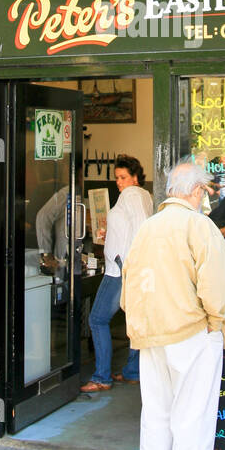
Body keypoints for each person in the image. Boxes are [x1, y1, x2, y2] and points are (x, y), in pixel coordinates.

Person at [120, 159, 225, 450]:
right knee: (192, 414)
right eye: (204, 192)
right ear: (197, 191)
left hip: (151, 335)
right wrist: (218, 323)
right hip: (192, 332)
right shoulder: (200, 226)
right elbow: (215, 285)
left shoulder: (148, 228)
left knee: (155, 413)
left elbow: (129, 286)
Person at [80, 154, 153, 392]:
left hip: (120, 270)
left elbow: (138, 228)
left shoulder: (131, 195)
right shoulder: (144, 196)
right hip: (133, 267)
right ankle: (133, 371)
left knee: (97, 319)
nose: (119, 182)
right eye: (117, 178)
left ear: (135, 177)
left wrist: (123, 261)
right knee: (133, 319)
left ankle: (102, 376)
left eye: (123, 177)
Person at [34, 184, 69, 271]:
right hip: (62, 261)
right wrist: (46, 253)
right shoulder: (69, 192)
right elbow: (43, 217)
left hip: (70, 260)